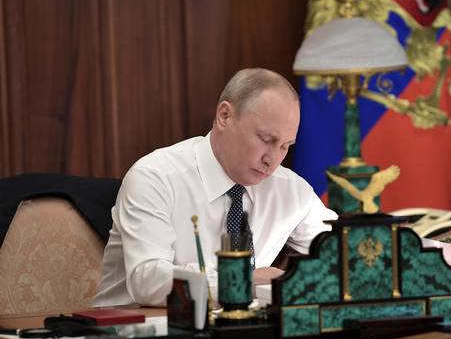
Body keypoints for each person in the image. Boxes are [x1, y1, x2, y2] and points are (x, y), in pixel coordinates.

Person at [92, 68, 337, 307]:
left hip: (235, 338)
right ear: (224, 116)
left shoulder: (289, 191)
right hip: (134, 335)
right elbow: (148, 281)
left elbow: (343, 257)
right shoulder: (155, 177)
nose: (272, 159)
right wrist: (244, 282)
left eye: (285, 146)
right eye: (266, 140)